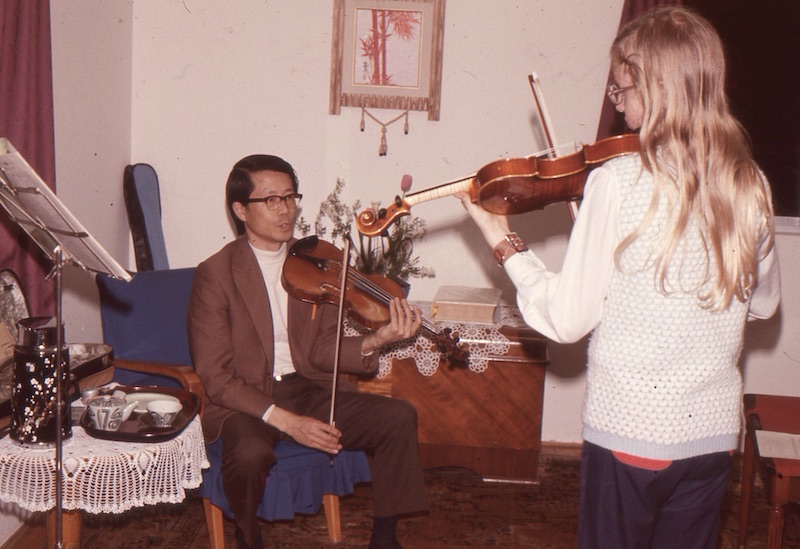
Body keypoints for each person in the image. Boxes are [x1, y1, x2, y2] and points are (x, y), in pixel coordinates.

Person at [458, 7, 780, 549]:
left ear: (656, 89)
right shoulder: (750, 185)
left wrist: (502, 239)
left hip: (632, 432)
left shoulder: (620, 180)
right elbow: (764, 304)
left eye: (622, 88)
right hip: (711, 440)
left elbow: (565, 319)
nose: (619, 102)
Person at [187, 154, 427, 549]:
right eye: (271, 200)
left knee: (398, 416)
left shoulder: (316, 262)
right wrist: (287, 422)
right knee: (248, 452)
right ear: (240, 209)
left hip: (307, 387)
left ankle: (385, 537)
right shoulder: (216, 274)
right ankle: (248, 535)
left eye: (290, 197)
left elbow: (320, 351)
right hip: (246, 398)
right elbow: (216, 376)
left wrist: (376, 340)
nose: (285, 210)